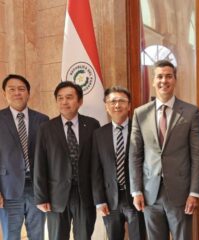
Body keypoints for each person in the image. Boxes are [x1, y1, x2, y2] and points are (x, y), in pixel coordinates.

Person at [129, 60, 199, 240]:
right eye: (160, 77)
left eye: (169, 76)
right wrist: (136, 191)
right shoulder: (140, 113)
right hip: (149, 194)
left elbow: (197, 155)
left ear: (175, 80)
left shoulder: (190, 112)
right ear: (154, 81)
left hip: (181, 193)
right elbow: (135, 155)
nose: (164, 81)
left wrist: (194, 192)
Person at [34, 81, 100, 240]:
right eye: (60, 98)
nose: (64, 102)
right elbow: (39, 164)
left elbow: (97, 164)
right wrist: (41, 197)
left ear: (80, 101)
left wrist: (99, 196)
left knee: (84, 236)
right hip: (56, 195)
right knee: (57, 237)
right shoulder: (46, 128)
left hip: (85, 195)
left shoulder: (92, 125)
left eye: (69, 97)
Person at [92, 86, 145, 240]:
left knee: (139, 237)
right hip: (110, 199)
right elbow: (96, 170)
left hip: (136, 196)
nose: (117, 105)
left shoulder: (139, 130)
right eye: (112, 101)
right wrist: (99, 200)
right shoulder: (99, 134)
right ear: (106, 106)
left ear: (129, 106)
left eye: (122, 101)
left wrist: (141, 191)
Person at [0, 74, 49, 239]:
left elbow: (47, 157)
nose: (17, 93)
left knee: (37, 235)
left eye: (21, 89)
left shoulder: (43, 120)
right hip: (8, 189)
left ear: (28, 93)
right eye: (11, 89)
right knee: (11, 236)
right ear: (4, 93)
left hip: (37, 189)